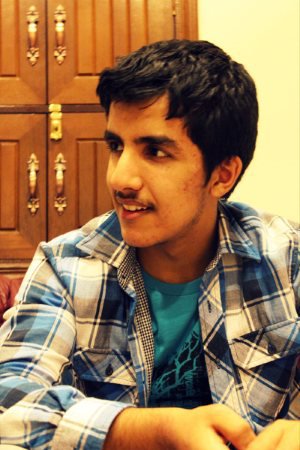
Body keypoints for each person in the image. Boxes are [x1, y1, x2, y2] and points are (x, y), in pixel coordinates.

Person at [0, 39, 299, 450]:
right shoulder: (65, 267)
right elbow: (9, 408)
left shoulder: (287, 257)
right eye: (116, 146)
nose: (121, 179)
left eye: (155, 151)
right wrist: (150, 431)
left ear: (223, 175)